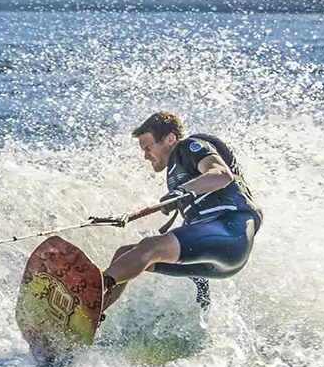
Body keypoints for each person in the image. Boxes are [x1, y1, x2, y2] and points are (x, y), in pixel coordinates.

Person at [99, 110, 261, 312]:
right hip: (218, 261)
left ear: (170, 138)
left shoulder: (188, 147)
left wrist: (180, 192)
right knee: (126, 254)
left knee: (151, 247)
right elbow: (197, 230)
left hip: (231, 230)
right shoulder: (179, 172)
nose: (145, 156)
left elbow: (221, 175)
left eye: (148, 148)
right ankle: (92, 313)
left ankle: (93, 289)